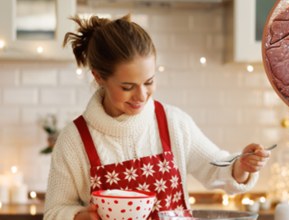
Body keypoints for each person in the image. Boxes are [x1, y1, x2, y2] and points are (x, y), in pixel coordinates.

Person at [43, 14, 271, 220]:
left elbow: (215, 167)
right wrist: (78, 217)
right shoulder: (74, 141)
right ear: (99, 77)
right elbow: (54, 212)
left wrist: (241, 166)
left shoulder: (173, 122)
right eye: (127, 86)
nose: (141, 95)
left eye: (149, 82)